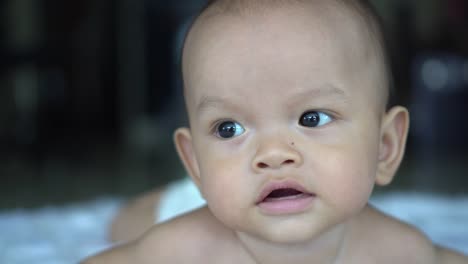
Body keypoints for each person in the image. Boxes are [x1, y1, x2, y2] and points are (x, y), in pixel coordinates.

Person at [83, 0, 468, 263]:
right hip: (202, 207)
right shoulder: (181, 251)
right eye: (228, 128)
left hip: (243, 189)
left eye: (312, 118)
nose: (273, 153)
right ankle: (173, 197)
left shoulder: (398, 251)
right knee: (128, 222)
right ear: (196, 164)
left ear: (385, 147)